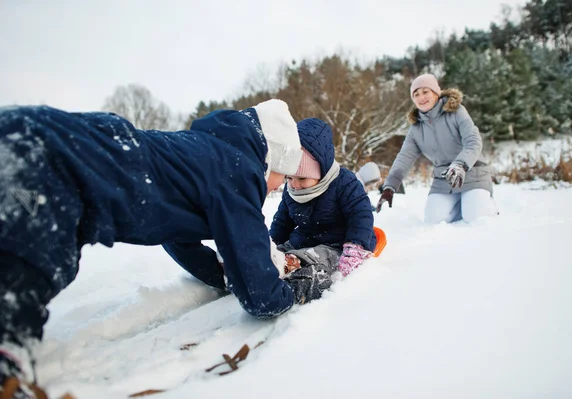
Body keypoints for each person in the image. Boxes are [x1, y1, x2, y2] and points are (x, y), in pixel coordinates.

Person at [0, 99, 307, 392]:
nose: (281, 185)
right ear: (271, 159)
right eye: (284, 175)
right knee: (28, 260)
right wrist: (291, 294)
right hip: (46, 157)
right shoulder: (239, 169)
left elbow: (178, 239)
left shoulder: (202, 156)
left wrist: (222, 275)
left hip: (36, 134)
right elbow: (259, 292)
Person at [269, 117, 376, 297]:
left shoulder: (344, 182)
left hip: (336, 243)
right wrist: (272, 244)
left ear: (321, 170)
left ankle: (296, 285)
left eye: (302, 178)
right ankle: (264, 267)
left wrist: (355, 246)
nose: (294, 184)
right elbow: (282, 220)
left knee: (314, 258)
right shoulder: (292, 191)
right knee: (277, 254)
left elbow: (361, 214)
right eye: (289, 178)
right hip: (303, 240)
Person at [376, 73, 497, 223]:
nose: (421, 97)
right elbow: (404, 158)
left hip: (472, 172)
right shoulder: (416, 128)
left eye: (425, 92)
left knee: (475, 217)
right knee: (433, 220)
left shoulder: (457, 112)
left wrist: (460, 164)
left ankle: (483, 204)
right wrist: (390, 186)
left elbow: (473, 141)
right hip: (443, 180)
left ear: (436, 93)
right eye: (416, 94)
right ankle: (462, 204)